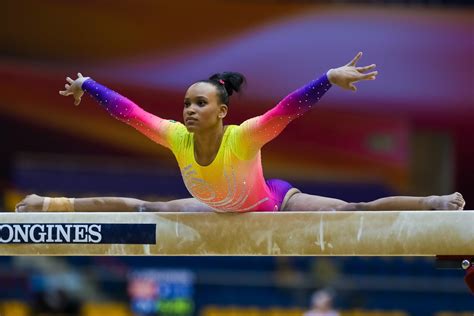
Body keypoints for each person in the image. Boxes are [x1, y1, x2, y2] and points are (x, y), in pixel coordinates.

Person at [15, 52, 465, 213]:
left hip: (271, 203)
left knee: (352, 208)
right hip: (215, 207)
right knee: (141, 209)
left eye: (200, 103)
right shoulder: (174, 136)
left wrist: (328, 77)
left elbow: (288, 109)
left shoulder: (244, 136)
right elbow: (130, 112)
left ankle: (434, 201)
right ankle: (47, 203)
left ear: (222, 111)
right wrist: (88, 84)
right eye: (187, 103)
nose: (189, 110)